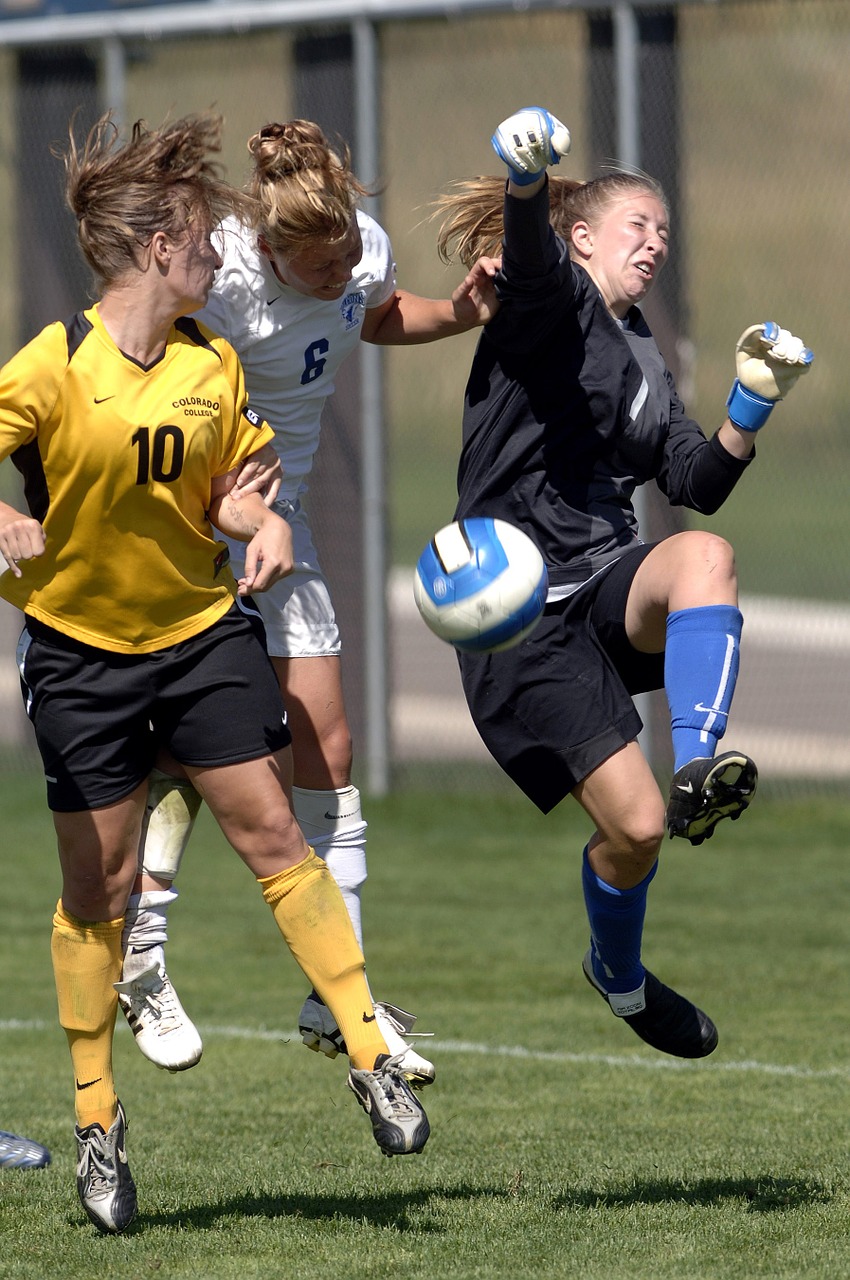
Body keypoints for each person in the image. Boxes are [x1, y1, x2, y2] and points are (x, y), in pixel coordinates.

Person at [0, 111, 429, 1235]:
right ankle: (99, 1118)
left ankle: (369, 1052)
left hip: (197, 633)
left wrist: (260, 524)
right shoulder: (53, 364)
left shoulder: (212, 361)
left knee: (275, 834)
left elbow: (234, 489)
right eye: (200, 241)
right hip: (81, 655)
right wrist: (4, 510)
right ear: (159, 251)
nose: (214, 256)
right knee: (98, 890)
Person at [117, 118, 500, 1081]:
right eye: (317, 265)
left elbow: (370, 315)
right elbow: (147, 388)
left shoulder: (358, 249)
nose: (337, 274)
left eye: (344, 257)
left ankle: (342, 999)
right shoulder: (226, 278)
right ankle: (140, 946)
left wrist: (459, 312)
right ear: (270, 247)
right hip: (191, 533)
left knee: (326, 750)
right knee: (200, 754)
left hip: (283, 529)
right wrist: (215, 492)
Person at [431, 107, 812, 1059]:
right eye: (639, 225)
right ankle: (619, 974)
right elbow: (526, 258)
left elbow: (695, 485)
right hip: (522, 617)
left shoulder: (645, 352)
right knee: (633, 833)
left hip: (604, 586)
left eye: (665, 233)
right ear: (584, 237)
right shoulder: (548, 298)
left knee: (704, 558)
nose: (656, 242)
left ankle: (698, 765)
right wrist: (525, 177)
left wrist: (750, 405)